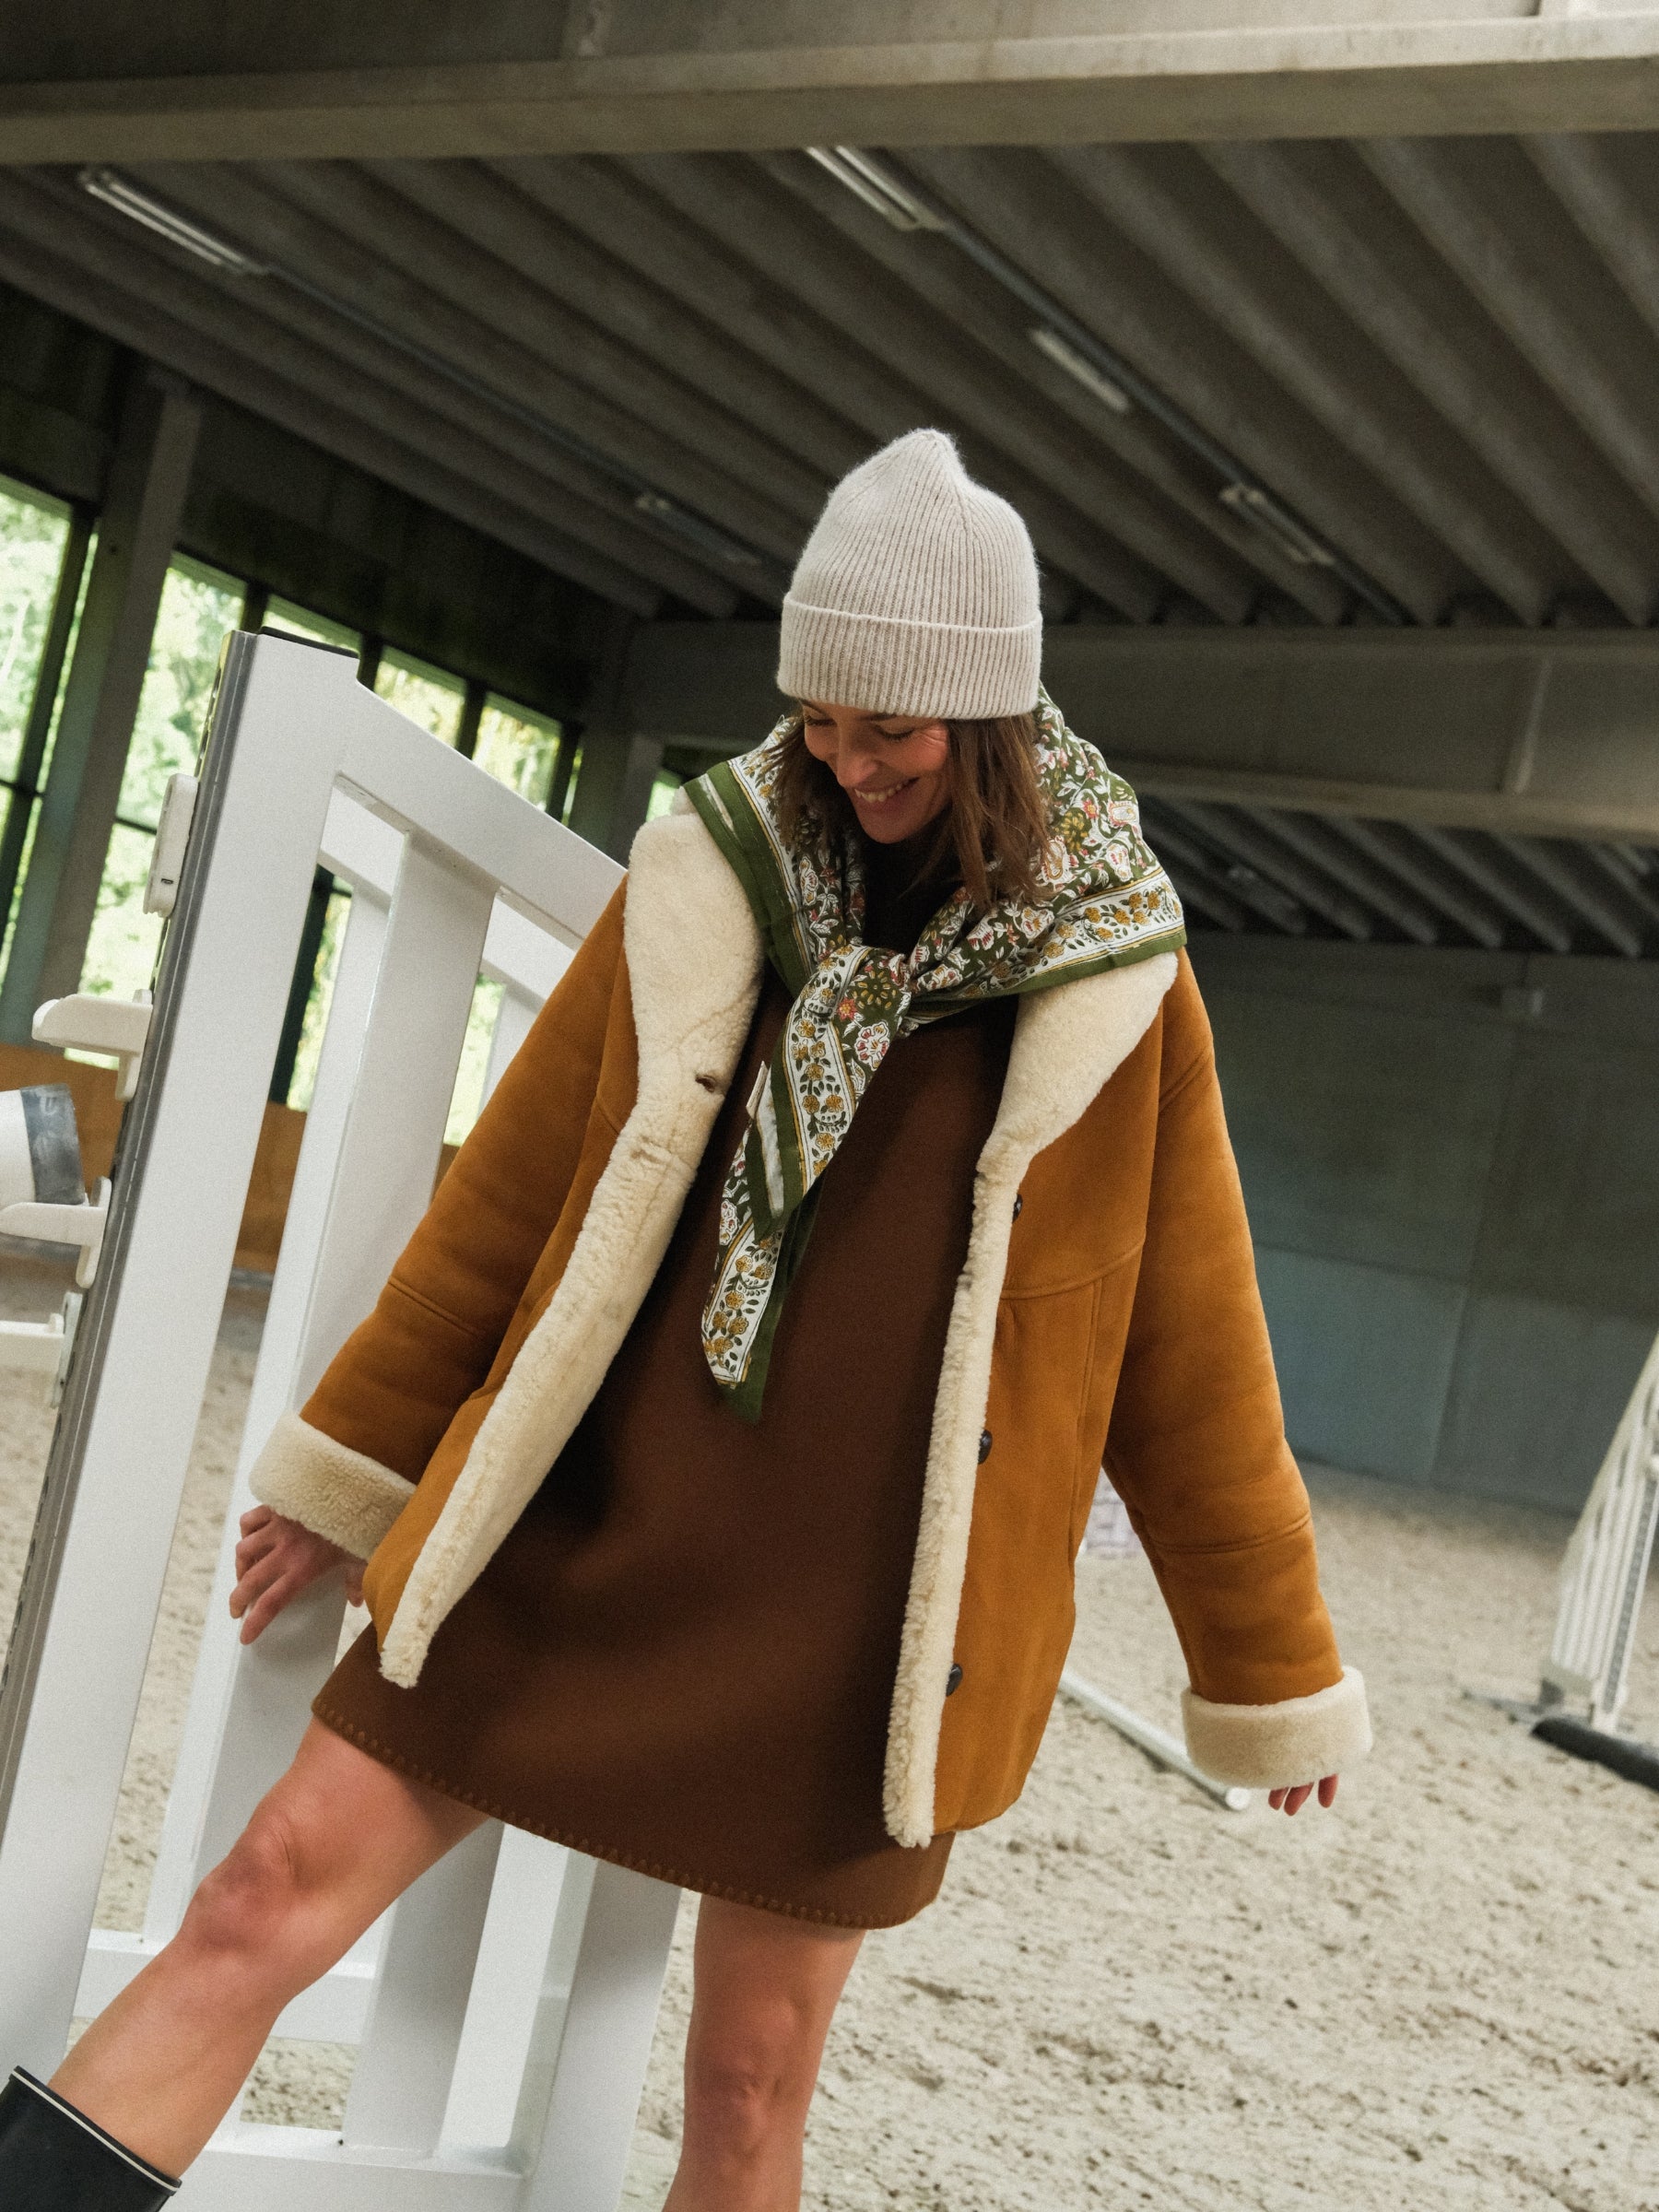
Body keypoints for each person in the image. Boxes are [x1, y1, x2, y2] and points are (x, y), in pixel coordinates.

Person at [0, 429, 1369, 2210]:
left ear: (989, 717)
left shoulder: (1120, 978)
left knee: (744, 2090)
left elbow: (1192, 1346)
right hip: (578, 1527)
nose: (846, 761)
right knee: (262, 1896)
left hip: (864, 1630)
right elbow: (510, 1200)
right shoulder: (714, 874)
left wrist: (1270, 1669)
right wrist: (354, 1470)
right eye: (820, 716)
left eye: (891, 728)